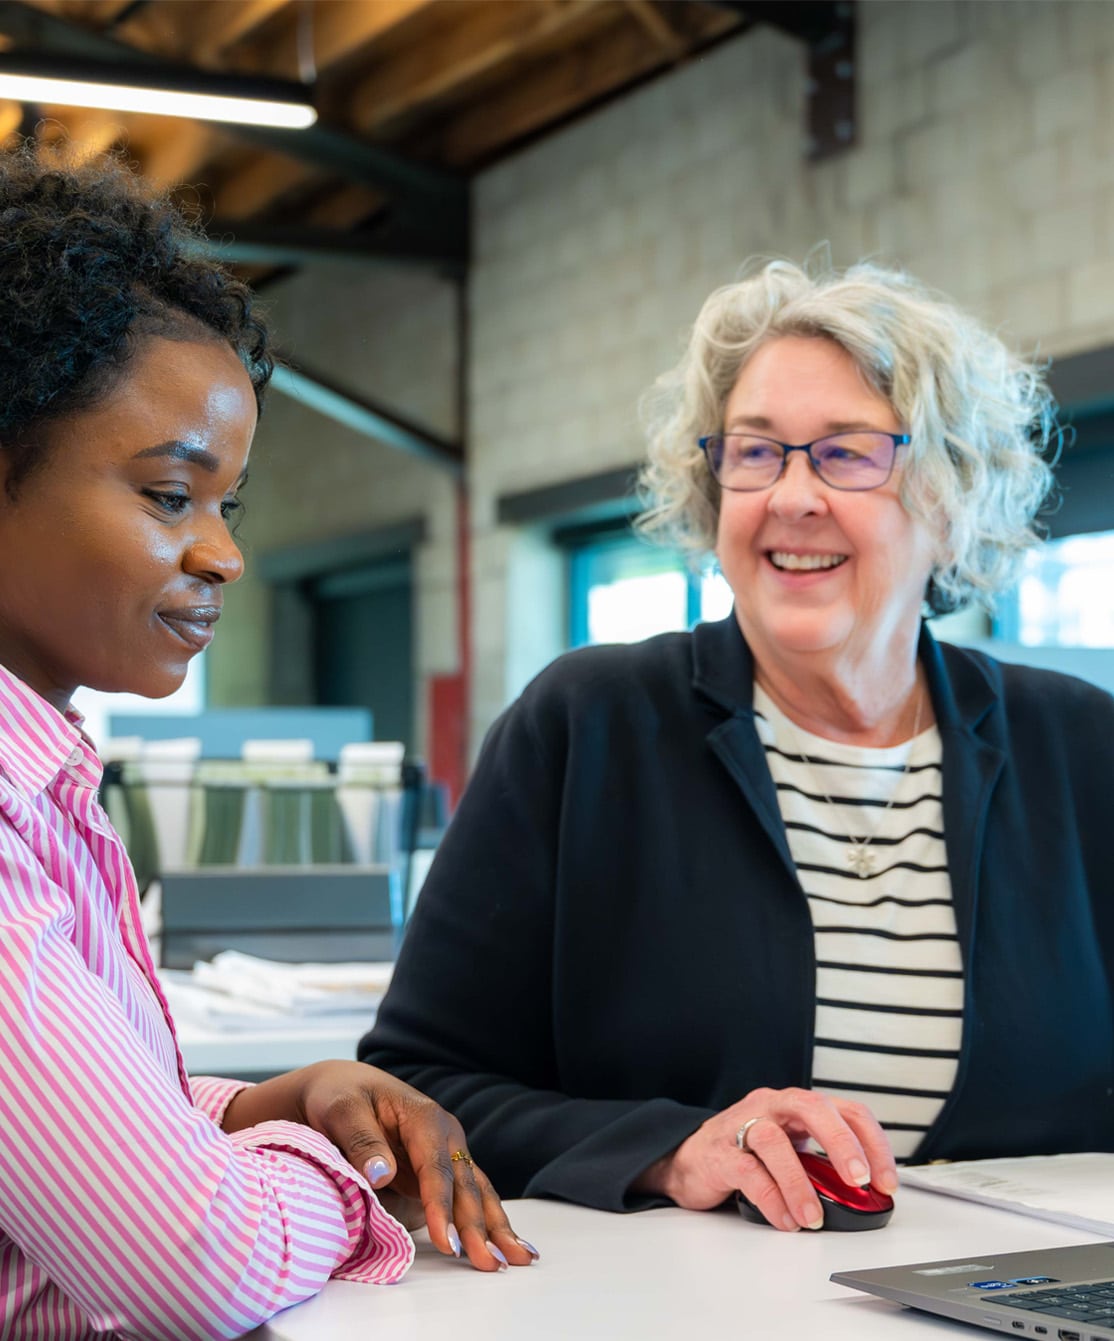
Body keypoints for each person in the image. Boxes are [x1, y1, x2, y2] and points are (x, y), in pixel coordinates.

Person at [362, 258, 1114, 1234]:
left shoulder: (1081, 747)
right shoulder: (586, 726)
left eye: (846, 454)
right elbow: (407, 1093)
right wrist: (668, 1149)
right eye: (756, 454)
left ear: (947, 495)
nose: (791, 496)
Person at [0, 144, 537, 1341]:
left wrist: (253, 1111)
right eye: (167, 495)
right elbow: (195, 1264)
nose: (224, 556)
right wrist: (328, 1172)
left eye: (225, 505)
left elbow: (38, 1133)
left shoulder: (46, 780)